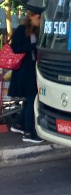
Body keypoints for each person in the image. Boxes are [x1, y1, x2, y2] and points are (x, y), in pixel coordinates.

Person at [9, 9, 43, 144]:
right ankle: (29, 133)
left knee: (30, 99)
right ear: (31, 17)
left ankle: (19, 125)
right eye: (38, 18)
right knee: (32, 99)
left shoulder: (36, 31)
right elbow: (16, 48)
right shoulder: (22, 29)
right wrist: (34, 46)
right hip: (24, 70)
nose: (40, 21)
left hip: (32, 69)